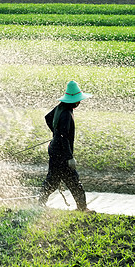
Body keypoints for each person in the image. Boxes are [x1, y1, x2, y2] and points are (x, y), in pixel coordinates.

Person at [39, 80, 93, 213]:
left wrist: (55, 132)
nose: (80, 102)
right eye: (79, 100)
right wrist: (69, 157)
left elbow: (48, 118)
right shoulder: (67, 114)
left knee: (52, 180)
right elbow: (64, 138)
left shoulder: (61, 107)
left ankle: (40, 203)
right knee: (74, 181)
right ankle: (83, 208)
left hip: (54, 150)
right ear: (74, 101)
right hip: (61, 153)